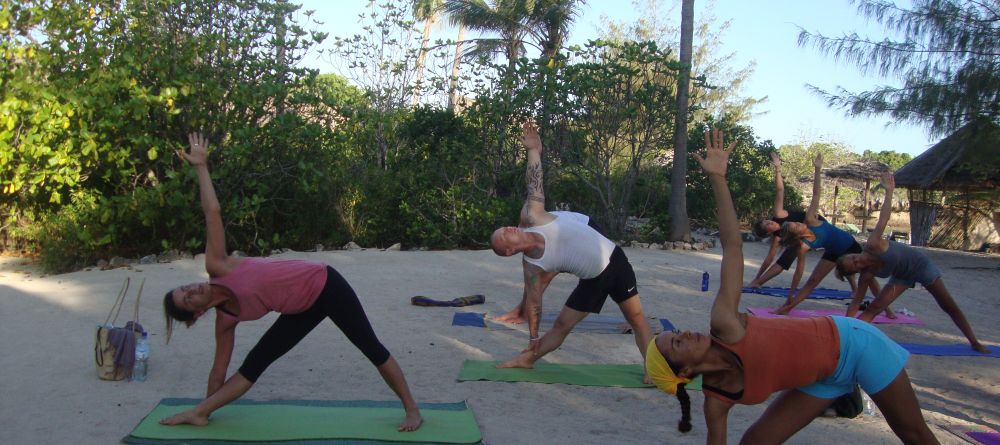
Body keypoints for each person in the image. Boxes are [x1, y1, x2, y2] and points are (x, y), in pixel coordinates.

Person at [645, 129, 939, 444]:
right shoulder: (716, 399)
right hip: (824, 379)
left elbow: (732, 246)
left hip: (855, 346)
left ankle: (850, 395)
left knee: (913, 434)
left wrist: (718, 178)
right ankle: (844, 394)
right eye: (677, 344)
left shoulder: (725, 324)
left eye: (676, 334)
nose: (685, 333)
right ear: (684, 372)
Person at [159, 133, 422, 431]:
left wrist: (201, 168)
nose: (191, 290)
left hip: (326, 285)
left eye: (185, 288)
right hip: (299, 309)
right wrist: (205, 408)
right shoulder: (225, 320)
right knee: (255, 362)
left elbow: (212, 213)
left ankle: (412, 410)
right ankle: (200, 414)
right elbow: (218, 371)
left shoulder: (217, 265)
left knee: (370, 347)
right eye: (188, 298)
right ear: (197, 314)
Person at [488, 122, 654, 372]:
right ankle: (526, 359)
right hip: (592, 280)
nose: (508, 229)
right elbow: (534, 303)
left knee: (637, 318)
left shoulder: (534, 216)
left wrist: (533, 151)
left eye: (504, 228)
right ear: (510, 251)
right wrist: (533, 336)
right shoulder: (532, 267)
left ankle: (653, 369)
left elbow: (534, 183)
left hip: (615, 262)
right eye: (504, 236)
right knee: (561, 327)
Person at [836, 173, 990, 354]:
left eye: (853, 257)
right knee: (875, 308)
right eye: (855, 264)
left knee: (948, 305)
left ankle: (974, 341)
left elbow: (883, 220)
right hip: (902, 276)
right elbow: (856, 303)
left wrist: (889, 191)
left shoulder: (873, 244)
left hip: (921, 267)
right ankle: (848, 340)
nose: (857, 259)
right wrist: (846, 327)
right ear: (856, 269)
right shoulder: (867, 275)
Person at [772, 153, 886, 316]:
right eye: (795, 226)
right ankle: (787, 308)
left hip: (849, 245)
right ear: (796, 235)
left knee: (867, 276)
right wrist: (790, 294)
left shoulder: (810, 219)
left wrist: (817, 169)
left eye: (796, 222)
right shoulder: (803, 246)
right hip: (833, 252)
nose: (798, 223)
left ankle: (887, 309)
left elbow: (816, 194)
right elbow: (798, 271)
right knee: (812, 281)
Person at [747, 152, 827, 288]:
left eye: (767, 220)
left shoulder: (778, 215)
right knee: (784, 260)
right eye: (768, 225)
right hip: (804, 237)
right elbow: (769, 259)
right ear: (768, 233)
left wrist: (777, 168)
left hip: (818, 224)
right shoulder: (778, 236)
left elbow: (780, 190)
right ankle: (758, 283)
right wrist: (757, 277)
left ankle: (855, 288)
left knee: (839, 251)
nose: (770, 221)